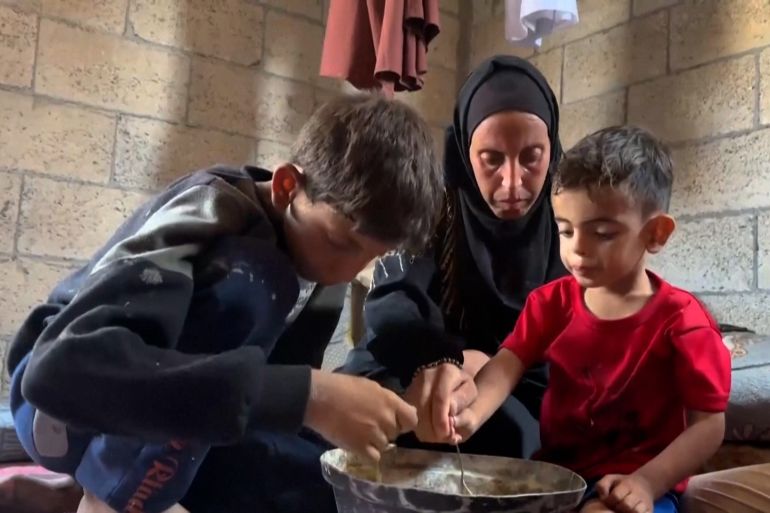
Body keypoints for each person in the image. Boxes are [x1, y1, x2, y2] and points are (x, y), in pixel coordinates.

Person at [7, 92, 443, 513]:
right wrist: (310, 395)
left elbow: (258, 396)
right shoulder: (215, 220)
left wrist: (371, 413)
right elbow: (57, 373)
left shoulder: (320, 264)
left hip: (160, 411)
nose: (348, 272)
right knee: (255, 283)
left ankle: (67, 494)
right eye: (340, 243)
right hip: (61, 409)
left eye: (370, 257)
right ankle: (110, 499)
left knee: (315, 479)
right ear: (287, 186)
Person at [446, 126, 732, 513]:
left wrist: (647, 482)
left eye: (602, 233)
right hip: (554, 478)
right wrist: (471, 413)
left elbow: (709, 425)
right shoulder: (550, 304)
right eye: (565, 230)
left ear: (655, 233)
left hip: (635, 483)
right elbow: (507, 364)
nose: (578, 249)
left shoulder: (684, 323)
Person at [340, 55, 567, 457]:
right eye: (491, 159)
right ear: (465, 151)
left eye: (532, 156)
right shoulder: (434, 208)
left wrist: (494, 367)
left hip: (527, 385)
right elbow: (393, 307)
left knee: (517, 438)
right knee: (362, 415)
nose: (512, 182)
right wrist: (450, 360)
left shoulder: (570, 223)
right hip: (424, 363)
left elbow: (578, 340)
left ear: (553, 149)